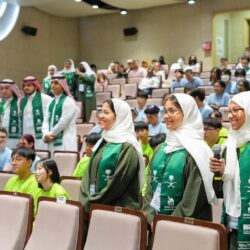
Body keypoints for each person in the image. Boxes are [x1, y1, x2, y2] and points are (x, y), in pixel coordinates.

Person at [143, 93, 216, 222]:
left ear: (187, 113)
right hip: (156, 224)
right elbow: (150, 185)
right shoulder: (160, 148)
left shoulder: (198, 151)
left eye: (172, 111)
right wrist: (150, 217)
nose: (166, 116)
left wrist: (167, 224)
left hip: (187, 227)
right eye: (165, 111)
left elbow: (192, 199)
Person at [79, 98, 145, 212]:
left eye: (106, 112)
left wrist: (91, 203)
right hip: (95, 208)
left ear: (119, 117)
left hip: (118, 211)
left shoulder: (128, 147)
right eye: (100, 112)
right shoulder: (103, 141)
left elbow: (117, 185)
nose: (100, 116)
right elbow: (88, 175)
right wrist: (85, 198)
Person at [209, 91, 250, 249]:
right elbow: (219, 193)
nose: (231, 115)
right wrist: (217, 173)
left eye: (236, 110)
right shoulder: (228, 147)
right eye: (229, 111)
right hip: (233, 223)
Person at [42, 74, 78, 153]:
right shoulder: (51, 102)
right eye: (51, 83)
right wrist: (45, 134)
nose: (53, 86)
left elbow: (63, 122)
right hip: (51, 140)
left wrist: (51, 134)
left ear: (62, 85)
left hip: (65, 141)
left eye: (56, 83)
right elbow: (45, 121)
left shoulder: (69, 102)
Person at [20, 76, 52, 150]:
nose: (26, 87)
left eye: (29, 85)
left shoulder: (45, 98)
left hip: (39, 132)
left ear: (35, 86)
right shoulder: (22, 100)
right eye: (24, 86)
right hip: (26, 131)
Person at [0, 79, 22, 149]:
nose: (4, 91)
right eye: (2, 88)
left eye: (7, 88)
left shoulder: (19, 102)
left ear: (13, 89)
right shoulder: (0, 102)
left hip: (15, 137)